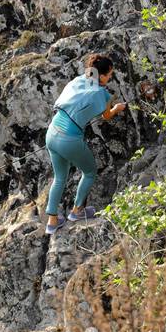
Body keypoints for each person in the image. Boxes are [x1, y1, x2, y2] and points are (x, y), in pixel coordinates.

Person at [44, 53, 128, 234]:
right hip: (69, 140)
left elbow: (83, 98)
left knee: (59, 178)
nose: (110, 77)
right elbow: (106, 116)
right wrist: (116, 108)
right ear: (103, 75)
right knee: (89, 172)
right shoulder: (102, 93)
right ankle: (77, 212)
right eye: (109, 74)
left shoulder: (79, 81)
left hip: (52, 133)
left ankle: (52, 222)